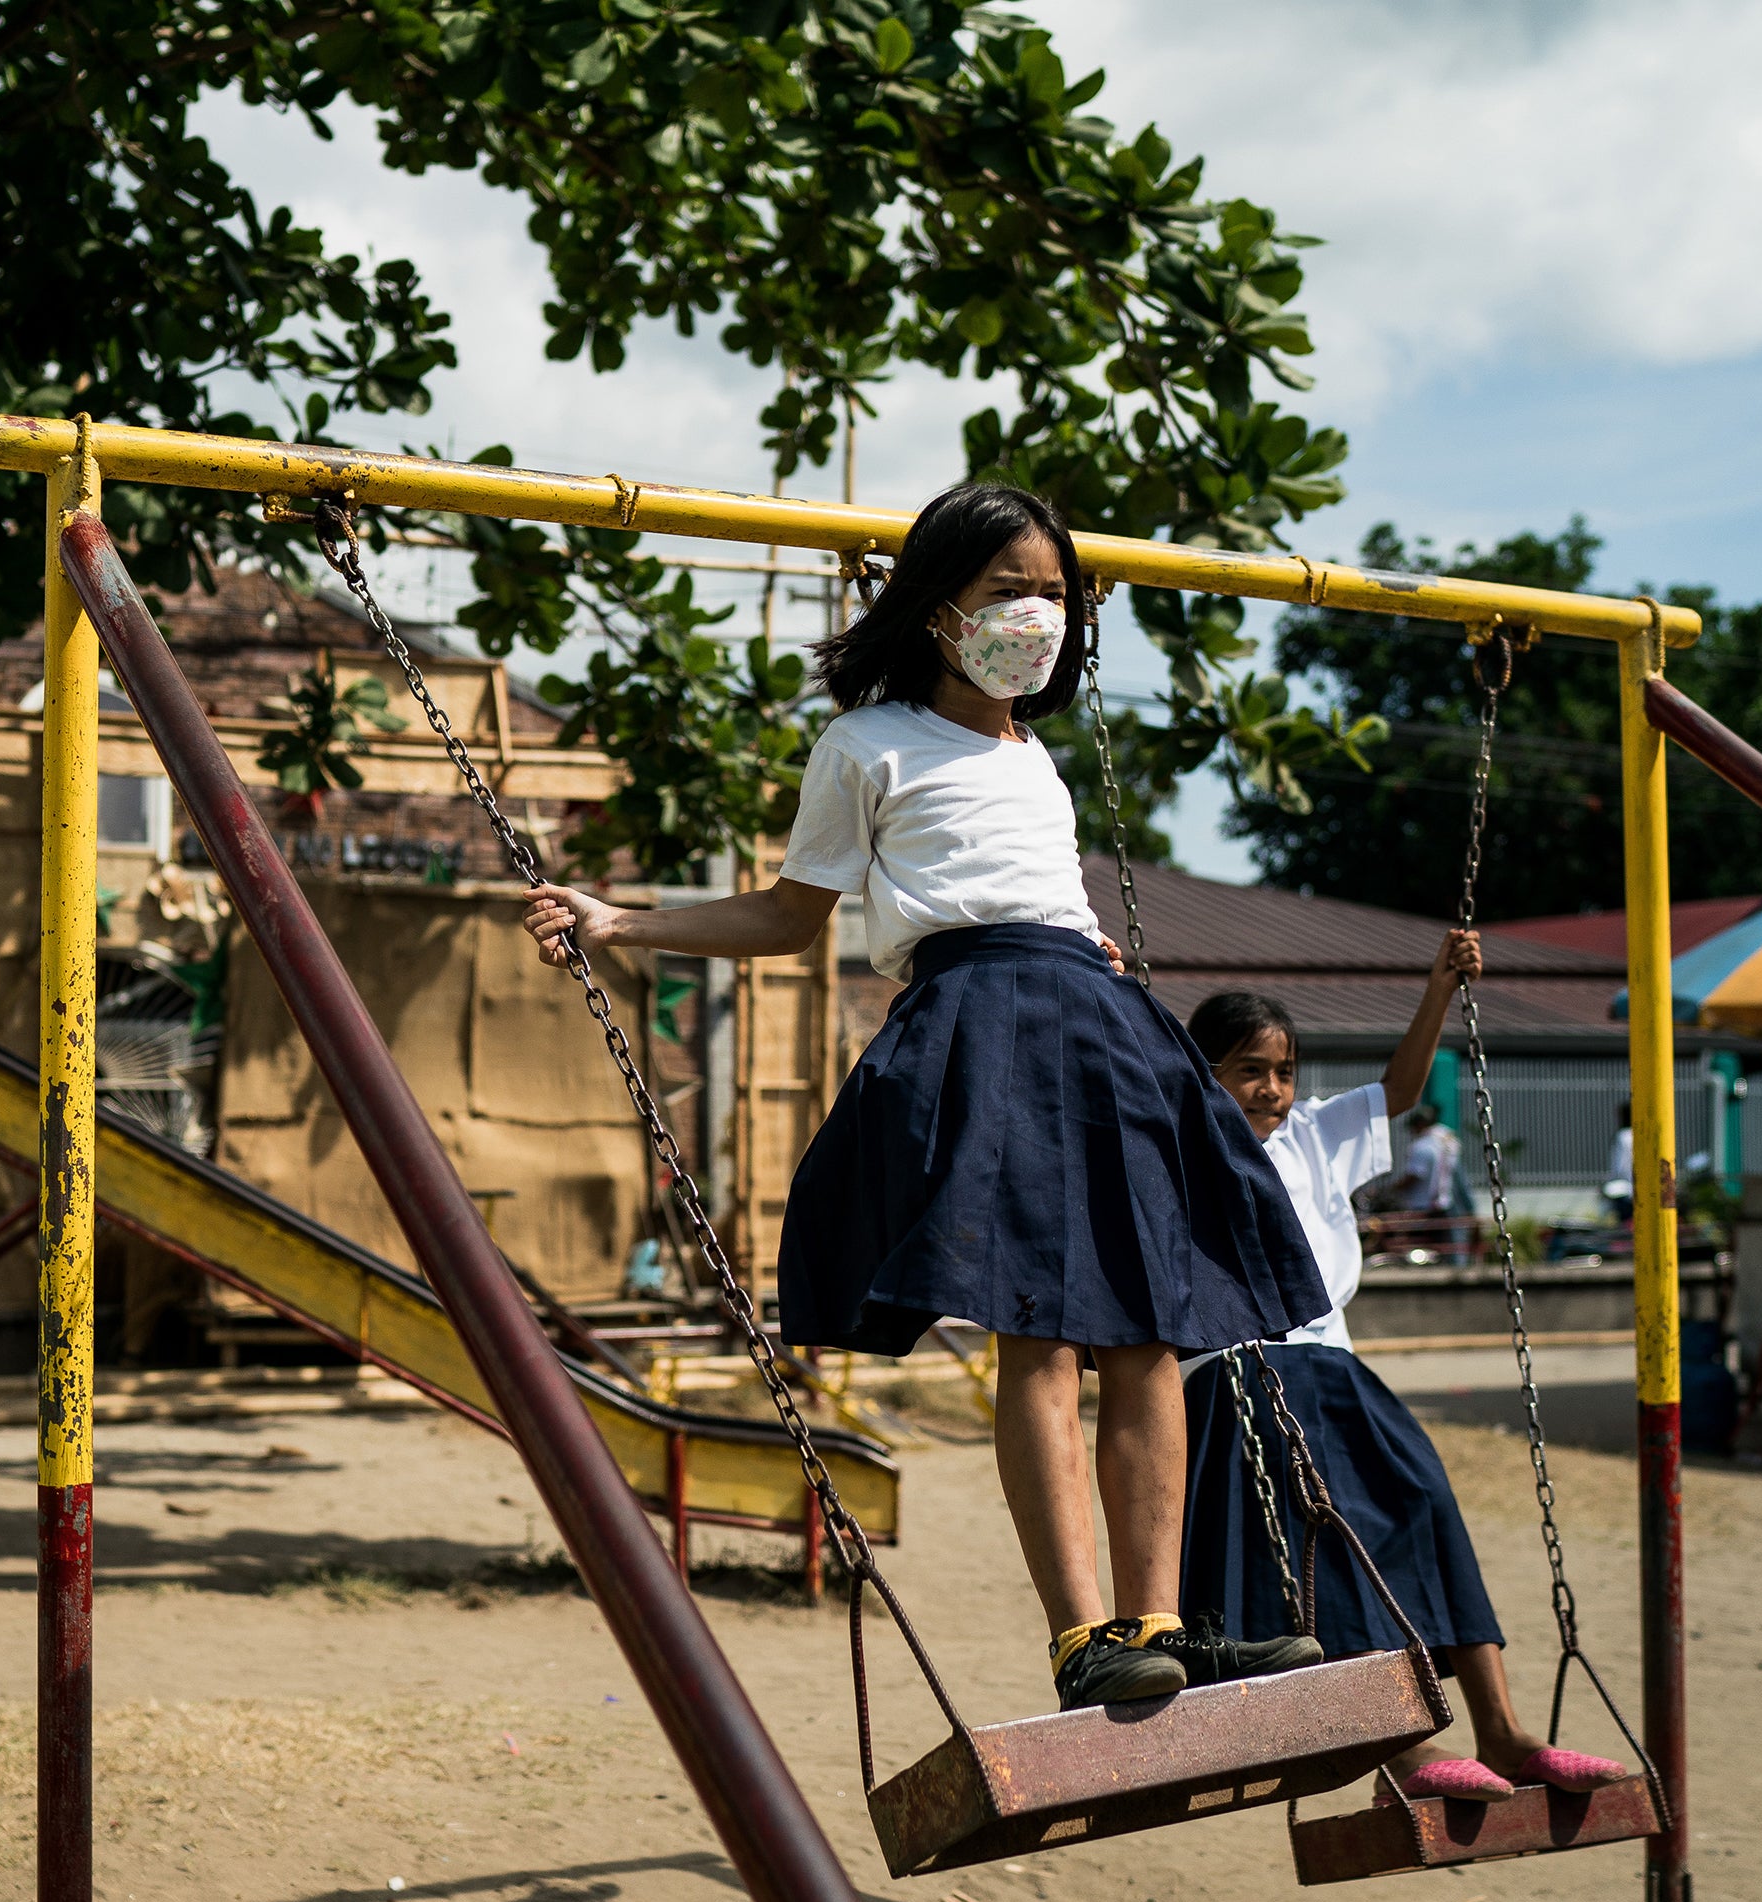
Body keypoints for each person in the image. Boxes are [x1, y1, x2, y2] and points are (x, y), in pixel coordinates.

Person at [525, 482, 1331, 1711]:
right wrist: (619, 919)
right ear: (938, 603)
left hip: (1098, 1021)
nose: (1036, 614)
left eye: (1054, 594)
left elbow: (1043, 892)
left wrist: (1091, 953)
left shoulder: (1036, 752)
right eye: (1009, 588)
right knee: (1044, 1329)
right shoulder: (869, 743)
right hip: (982, 1019)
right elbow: (788, 918)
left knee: (1152, 1335)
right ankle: (1083, 1635)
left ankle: (1165, 1619)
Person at [1181, 941, 1633, 1803]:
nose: (1271, 1089)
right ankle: (1403, 1747)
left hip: (1333, 1363)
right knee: (1330, 1538)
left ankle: (1501, 1729)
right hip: (1240, 1373)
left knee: (1422, 1498)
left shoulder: (1312, 1135)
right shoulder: (1176, 1148)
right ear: (1201, 1075)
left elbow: (1399, 1091)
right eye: (1248, 1071)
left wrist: (1437, 989)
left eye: (1283, 1070)